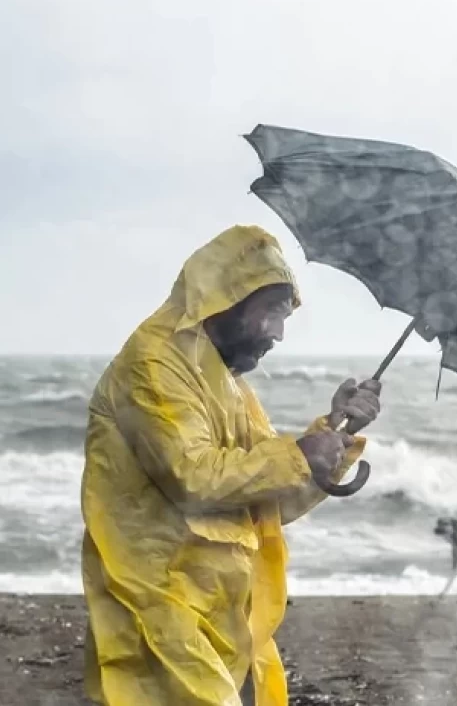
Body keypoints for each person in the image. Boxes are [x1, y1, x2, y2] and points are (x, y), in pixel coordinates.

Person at [79, 224, 382, 706]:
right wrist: (300, 455)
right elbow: (193, 478)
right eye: (272, 314)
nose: (279, 334)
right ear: (227, 299)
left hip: (221, 606)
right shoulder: (153, 367)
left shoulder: (226, 380)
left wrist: (335, 436)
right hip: (159, 598)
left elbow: (269, 501)